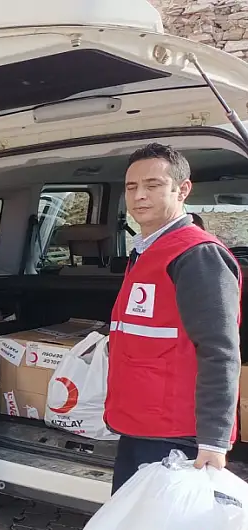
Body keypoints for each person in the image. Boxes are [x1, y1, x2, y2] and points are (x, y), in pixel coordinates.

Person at [106, 143, 240, 495]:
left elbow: (220, 350)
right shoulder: (147, 250)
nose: (140, 196)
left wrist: (214, 440)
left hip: (177, 435)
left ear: (182, 190)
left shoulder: (197, 255)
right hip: (140, 425)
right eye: (132, 187)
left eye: (152, 185)